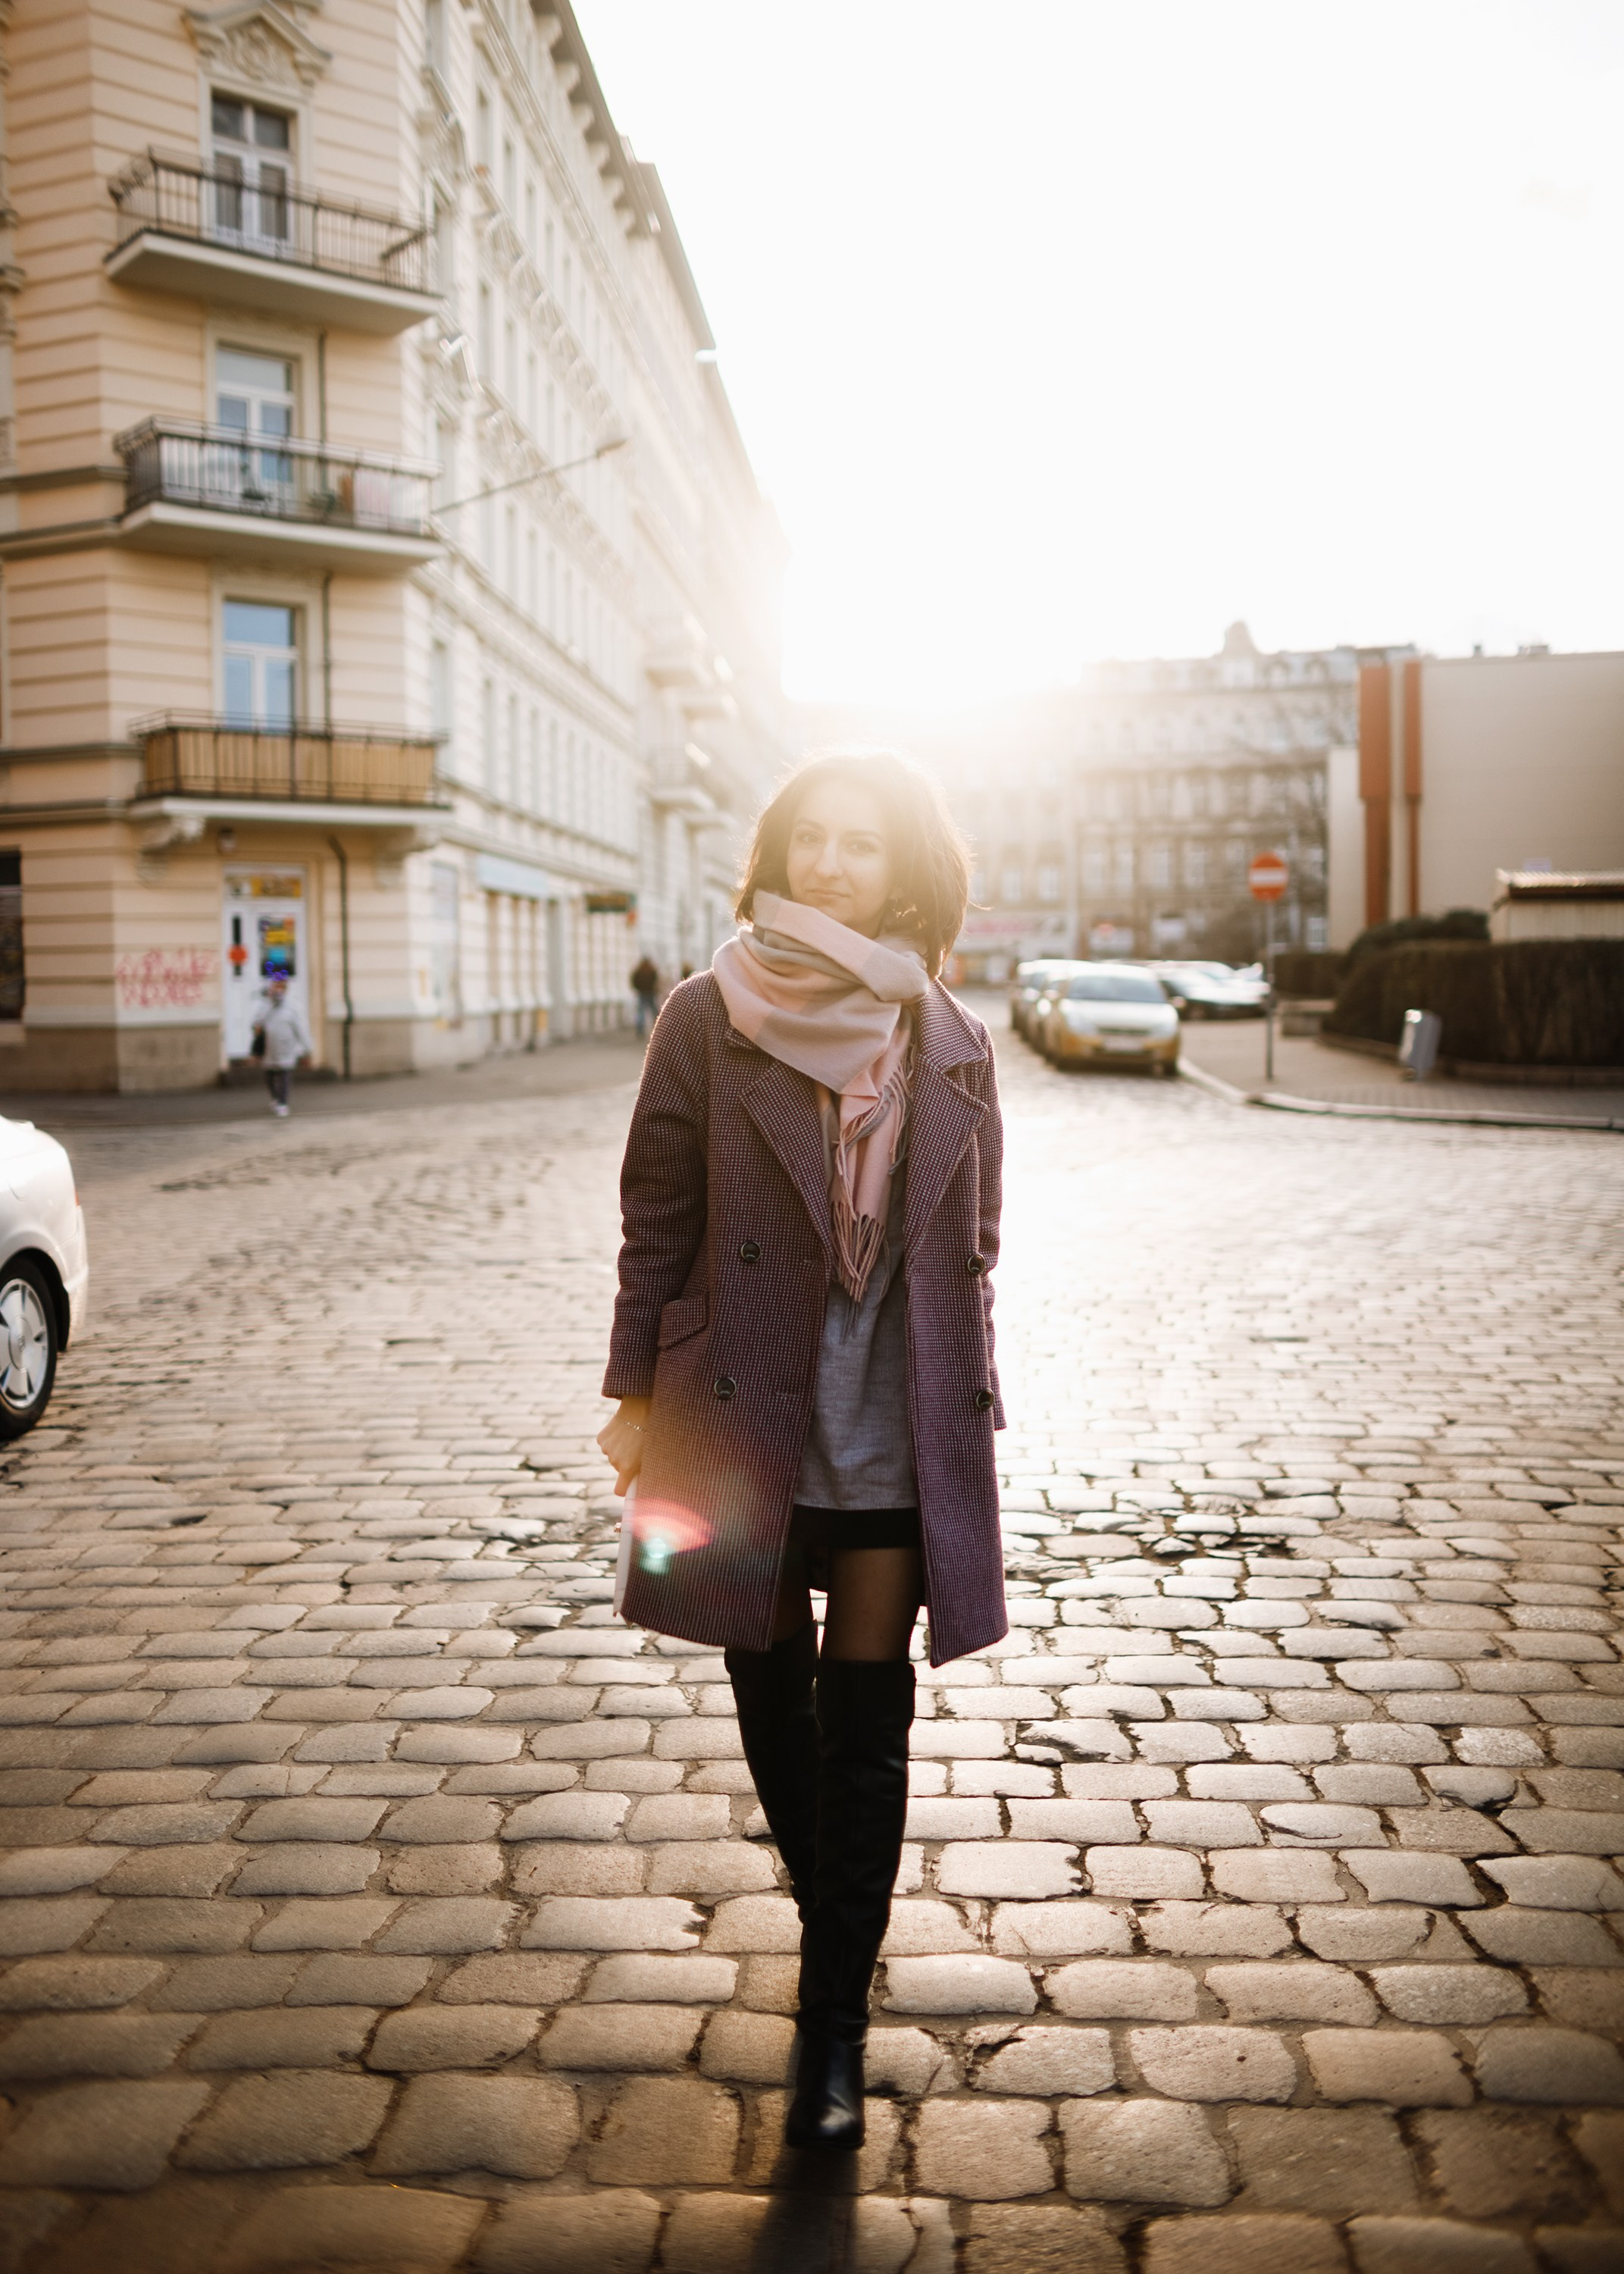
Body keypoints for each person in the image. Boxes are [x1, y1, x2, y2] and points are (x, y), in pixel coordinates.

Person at [598, 751, 1006, 2152]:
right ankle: (843, 1910)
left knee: (867, 1711)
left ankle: (829, 2022)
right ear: (777, 850)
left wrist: (972, 1396)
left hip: (894, 1423)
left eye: (860, 843)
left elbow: (976, 1246)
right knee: (767, 1690)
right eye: (809, 838)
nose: (831, 863)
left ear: (903, 868)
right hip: (733, 1407)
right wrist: (630, 1396)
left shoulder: (949, 1035)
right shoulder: (707, 1017)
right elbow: (654, 1215)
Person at [252, 976, 311, 1117]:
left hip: (286, 1047)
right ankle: (275, 1098)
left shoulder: (292, 1007)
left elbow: (301, 1029)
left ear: (285, 990)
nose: (277, 990)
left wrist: (307, 1049)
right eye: (275, 987)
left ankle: (283, 1103)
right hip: (269, 1049)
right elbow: (257, 1023)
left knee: (285, 1075)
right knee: (270, 1076)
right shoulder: (266, 1006)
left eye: (280, 987)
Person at [629, 954, 660, 1038]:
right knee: (654, 1012)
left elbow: (634, 981)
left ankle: (640, 1030)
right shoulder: (652, 970)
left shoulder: (639, 971)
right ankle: (659, 1029)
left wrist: (638, 988)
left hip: (642, 993)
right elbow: (656, 981)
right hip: (650, 993)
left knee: (641, 1013)